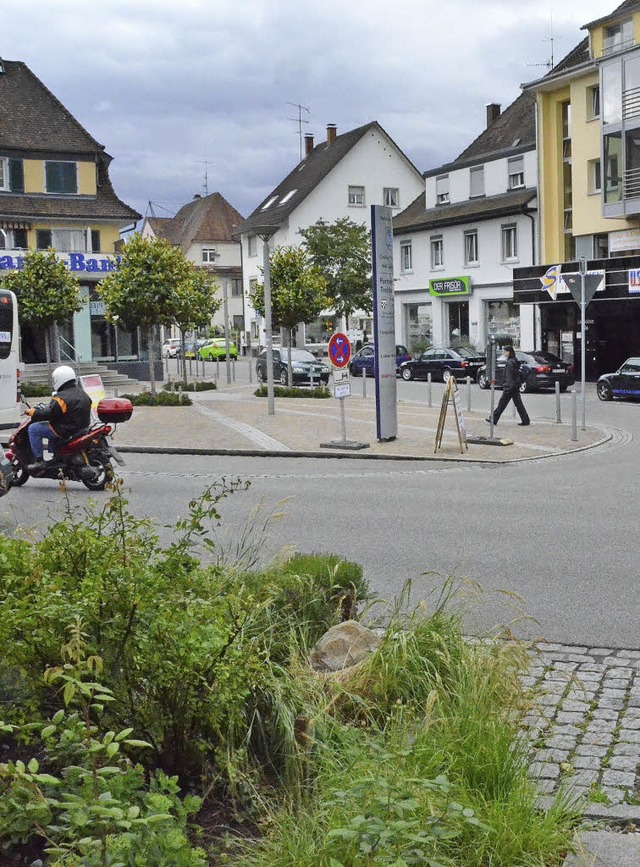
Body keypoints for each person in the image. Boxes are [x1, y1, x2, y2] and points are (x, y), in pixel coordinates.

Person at [26, 365, 92, 472]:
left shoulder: (61, 398)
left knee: (34, 429)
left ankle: (39, 461)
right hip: (81, 428)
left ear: (58, 379)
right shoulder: (82, 393)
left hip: (65, 429)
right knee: (48, 428)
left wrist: (34, 412)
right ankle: (56, 456)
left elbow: (50, 414)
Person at [486, 346, 530, 427]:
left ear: (509, 352)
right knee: (518, 404)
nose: (503, 353)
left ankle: (493, 419)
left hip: (510, 387)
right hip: (515, 386)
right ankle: (525, 420)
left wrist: (507, 386)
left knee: (502, 404)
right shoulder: (514, 360)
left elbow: (509, 376)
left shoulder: (510, 362)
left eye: (505, 351)